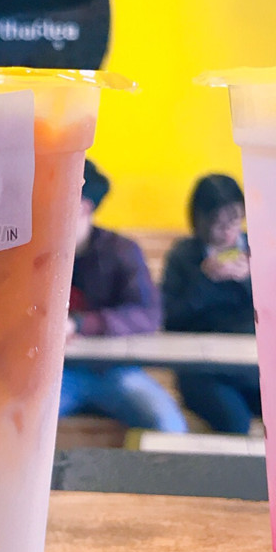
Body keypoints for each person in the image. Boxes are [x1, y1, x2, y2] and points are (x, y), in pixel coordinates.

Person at [59, 160, 188, 432]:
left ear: (84, 206)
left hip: (115, 371)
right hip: (58, 374)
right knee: (8, 423)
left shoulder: (120, 251)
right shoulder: (37, 254)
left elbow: (148, 315)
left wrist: (80, 324)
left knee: (169, 425)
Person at [161, 173, 260, 433]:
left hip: (253, 365)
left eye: (234, 220)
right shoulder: (183, 256)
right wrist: (205, 281)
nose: (227, 230)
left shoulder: (259, 249)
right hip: (201, 370)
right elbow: (170, 319)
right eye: (217, 222)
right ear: (199, 220)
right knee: (234, 422)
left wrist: (249, 281)